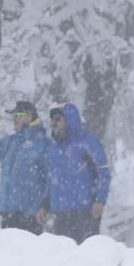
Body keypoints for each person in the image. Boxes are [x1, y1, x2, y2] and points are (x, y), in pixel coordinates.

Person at [0, 100, 50, 234]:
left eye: (18, 115)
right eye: (14, 116)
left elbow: (51, 180)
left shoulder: (42, 144)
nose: (14, 119)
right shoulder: (10, 142)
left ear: (30, 117)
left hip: (30, 216)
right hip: (8, 213)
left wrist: (45, 207)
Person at [36, 102, 111, 243]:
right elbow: (52, 181)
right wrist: (45, 206)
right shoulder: (53, 149)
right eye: (52, 119)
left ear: (69, 119)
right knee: (65, 259)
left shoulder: (87, 142)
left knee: (86, 257)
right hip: (61, 214)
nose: (54, 123)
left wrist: (100, 201)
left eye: (57, 119)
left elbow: (104, 173)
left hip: (85, 212)